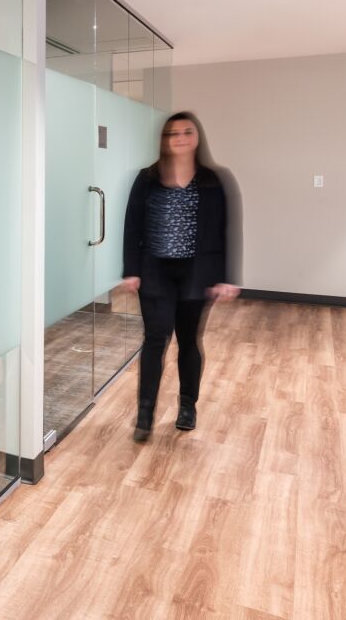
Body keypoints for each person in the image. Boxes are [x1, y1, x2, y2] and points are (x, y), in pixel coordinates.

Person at [121, 112, 240, 443]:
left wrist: (226, 276)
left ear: (197, 138)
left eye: (187, 132)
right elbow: (132, 226)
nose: (180, 138)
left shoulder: (214, 180)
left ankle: (187, 406)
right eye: (173, 133)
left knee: (188, 341)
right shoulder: (147, 178)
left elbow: (226, 229)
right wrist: (131, 270)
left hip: (196, 273)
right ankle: (145, 412)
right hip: (155, 272)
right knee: (154, 340)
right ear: (164, 140)